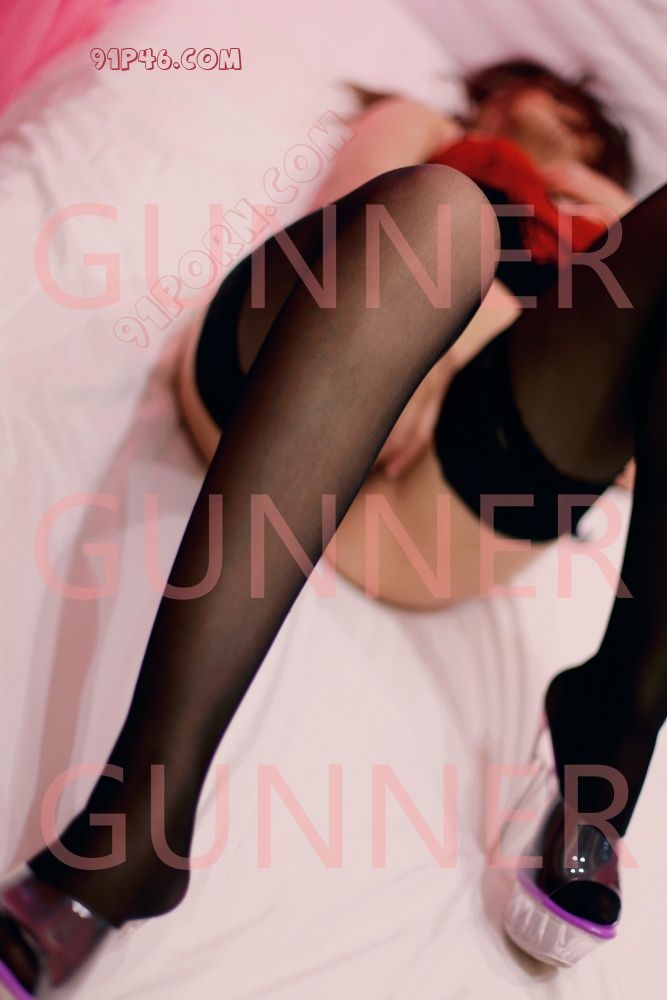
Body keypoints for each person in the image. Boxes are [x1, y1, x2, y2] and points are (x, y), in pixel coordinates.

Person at [1, 58, 665, 992]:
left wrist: (609, 225)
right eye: (543, 94)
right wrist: (432, 347)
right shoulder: (428, 132)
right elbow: (351, 198)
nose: (560, 117)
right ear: (489, 98)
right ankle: (136, 820)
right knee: (438, 213)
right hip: (310, 375)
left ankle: (611, 730)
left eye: (582, 122)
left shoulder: (597, 236)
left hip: (459, 495)